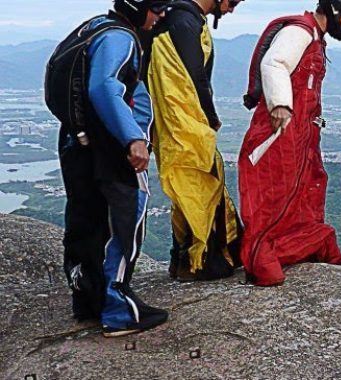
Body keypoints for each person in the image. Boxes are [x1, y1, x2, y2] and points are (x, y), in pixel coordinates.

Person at [45, 0, 170, 337]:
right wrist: (133, 138)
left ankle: (87, 299)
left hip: (77, 143)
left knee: (86, 221)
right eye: (156, 6)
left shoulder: (92, 28)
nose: (161, 14)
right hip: (110, 147)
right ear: (136, 6)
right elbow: (104, 87)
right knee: (125, 221)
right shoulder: (121, 37)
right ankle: (118, 311)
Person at [237, 0, 341, 286]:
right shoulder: (300, 31)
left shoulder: (314, 37)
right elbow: (274, 62)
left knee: (305, 188)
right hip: (281, 129)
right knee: (275, 192)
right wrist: (280, 104)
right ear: (335, 12)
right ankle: (263, 258)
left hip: (300, 132)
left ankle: (294, 248)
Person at [146, 0, 244, 281]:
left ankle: (185, 259)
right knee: (199, 185)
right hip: (185, 123)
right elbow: (195, 77)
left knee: (189, 188)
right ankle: (200, 261)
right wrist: (210, 115)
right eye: (232, 2)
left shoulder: (175, 19)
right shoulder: (184, 22)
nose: (230, 10)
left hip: (173, 124)